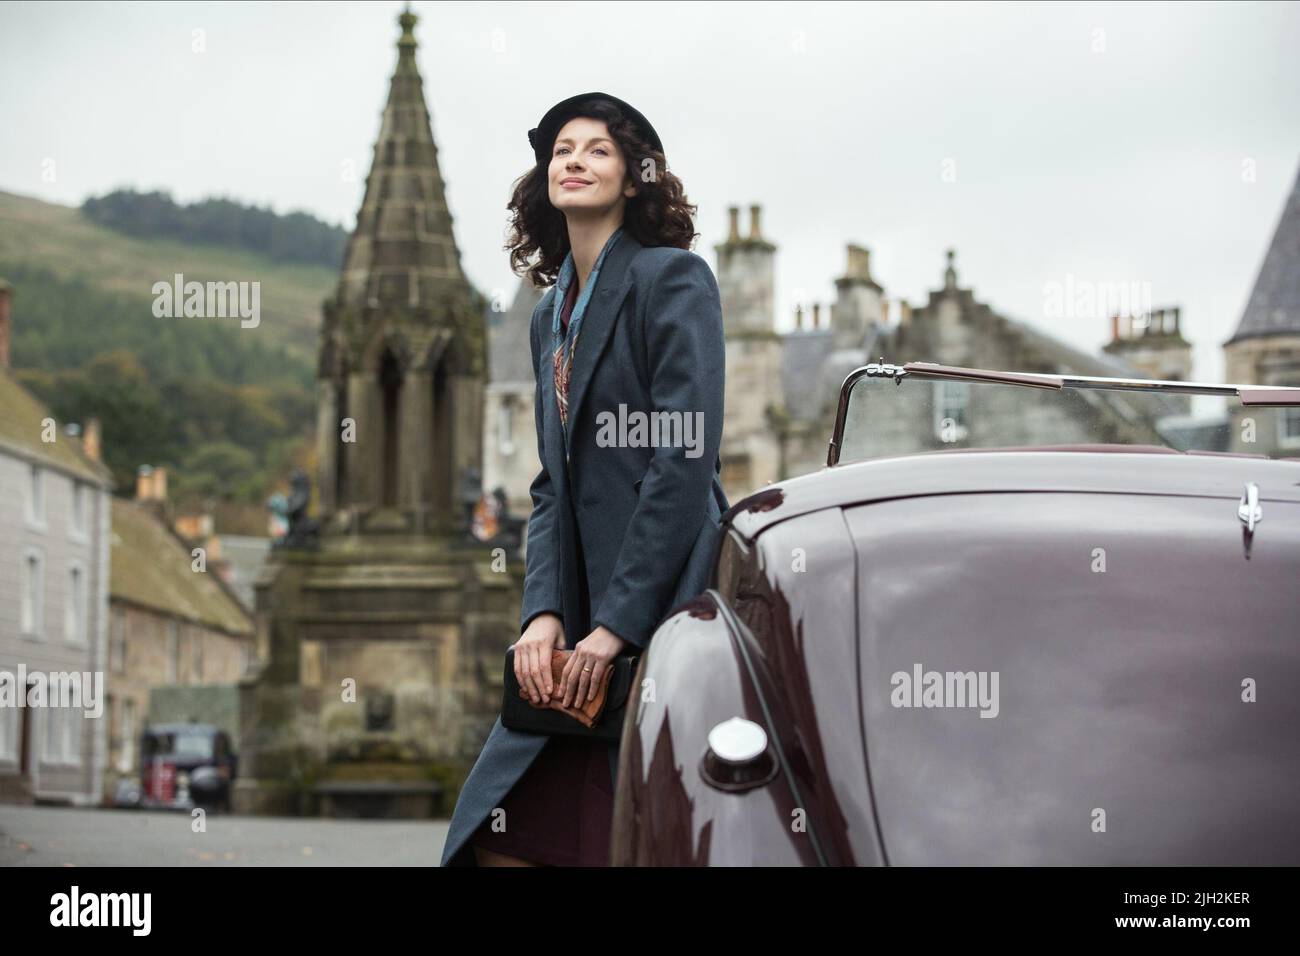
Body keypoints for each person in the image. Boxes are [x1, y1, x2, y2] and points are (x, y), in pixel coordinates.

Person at [439, 92, 729, 867]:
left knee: (645, 828)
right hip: (573, 608)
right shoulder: (547, 313)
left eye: (598, 150)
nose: (575, 160)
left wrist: (617, 627)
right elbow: (548, 485)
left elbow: (682, 462)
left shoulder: (675, 280)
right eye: (563, 149)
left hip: (668, 595)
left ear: (634, 178)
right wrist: (542, 613)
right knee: (505, 832)